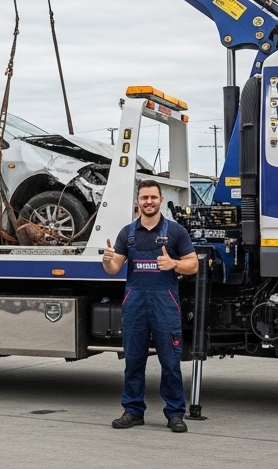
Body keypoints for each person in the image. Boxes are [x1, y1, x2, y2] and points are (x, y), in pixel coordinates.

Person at [102, 179, 199, 432]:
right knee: (133, 360)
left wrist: (174, 264)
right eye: (144, 198)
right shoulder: (128, 234)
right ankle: (133, 411)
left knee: (170, 362)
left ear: (160, 199)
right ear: (138, 202)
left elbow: (193, 264)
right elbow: (114, 269)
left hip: (164, 304)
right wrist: (107, 260)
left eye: (153, 197)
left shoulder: (176, 232)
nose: (148, 202)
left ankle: (175, 414)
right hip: (135, 305)